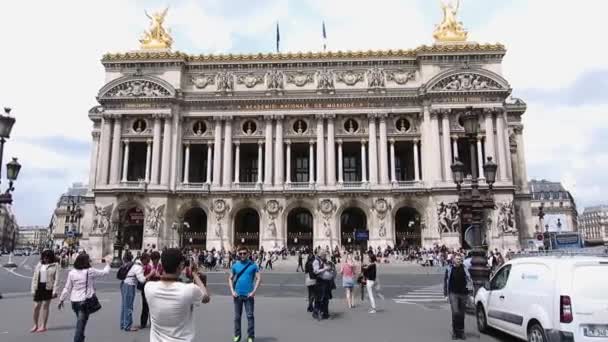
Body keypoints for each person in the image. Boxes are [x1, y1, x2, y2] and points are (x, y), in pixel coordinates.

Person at [145, 248, 210, 342]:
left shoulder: (149, 288)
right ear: (181, 266)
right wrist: (195, 275)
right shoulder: (189, 289)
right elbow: (206, 297)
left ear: (162, 264)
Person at [58, 254, 110, 342]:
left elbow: (67, 287)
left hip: (74, 301)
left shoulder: (72, 272)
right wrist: (108, 264)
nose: (90, 262)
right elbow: (104, 272)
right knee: (80, 326)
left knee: (81, 323)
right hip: (84, 301)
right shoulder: (89, 271)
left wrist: (61, 299)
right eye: (88, 260)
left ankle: (81, 339)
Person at [229, 246, 261, 342]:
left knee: (250, 316)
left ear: (248, 254)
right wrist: (232, 291)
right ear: (238, 254)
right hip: (237, 295)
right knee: (237, 317)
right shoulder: (235, 265)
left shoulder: (253, 265)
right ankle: (237, 336)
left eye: (244, 253)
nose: (242, 255)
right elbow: (230, 278)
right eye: (240, 253)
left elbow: (259, 278)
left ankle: (251, 336)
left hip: (248, 295)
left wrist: (254, 291)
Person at [443, 254, 472, 340]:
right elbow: (445, 281)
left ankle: (461, 331)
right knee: (455, 312)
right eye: (457, 259)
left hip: (463, 293)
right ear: (453, 260)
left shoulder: (465, 268)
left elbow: (469, 280)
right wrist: (445, 294)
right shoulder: (449, 268)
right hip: (453, 293)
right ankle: (455, 331)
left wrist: (470, 293)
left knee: (461, 314)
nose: (459, 260)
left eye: (460, 259)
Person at [30, 250, 60, 333]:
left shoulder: (55, 265)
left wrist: (55, 291)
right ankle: (35, 325)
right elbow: (34, 277)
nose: (45, 259)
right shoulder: (39, 264)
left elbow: (57, 279)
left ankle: (43, 325)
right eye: (44, 257)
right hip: (38, 286)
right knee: (36, 306)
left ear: (51, 257)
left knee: (45, 306)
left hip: (48, 287)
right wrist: (32, 289)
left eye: (47, 257)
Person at [120, 252, 146, 331]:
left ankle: (123, 324)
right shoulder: (137, 267)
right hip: (129, 285)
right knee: (129, 306)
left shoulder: (127, 265)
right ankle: (128, 326)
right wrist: (150, 274)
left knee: (124, 305)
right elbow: (142, 280)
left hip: (123, 284)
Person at [312, 251, 336, 320]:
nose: (325, 256)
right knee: (319, 298)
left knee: (326, 298)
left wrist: (332, 270)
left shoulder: (327, 262)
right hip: (320, 282)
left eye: (325, 255)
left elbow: (332, 270)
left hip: (327, 282)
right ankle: (316, 312)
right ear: (320, 255)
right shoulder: (316, 261)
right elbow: (316, 271)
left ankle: (325, 313)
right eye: (324, 255)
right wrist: (325, 269)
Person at [139, 253, 160, 329]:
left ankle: (153, 323)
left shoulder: (160, 266)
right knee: (145, 305)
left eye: (157, 260)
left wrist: (158, 276)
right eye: (154, 260)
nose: (155, 262)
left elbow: (164, 275)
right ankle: (143, 323)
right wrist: (151, 275)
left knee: (155, 306)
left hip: (156, 287)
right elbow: (142, 277)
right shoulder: (148, 266)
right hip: (147, 287)